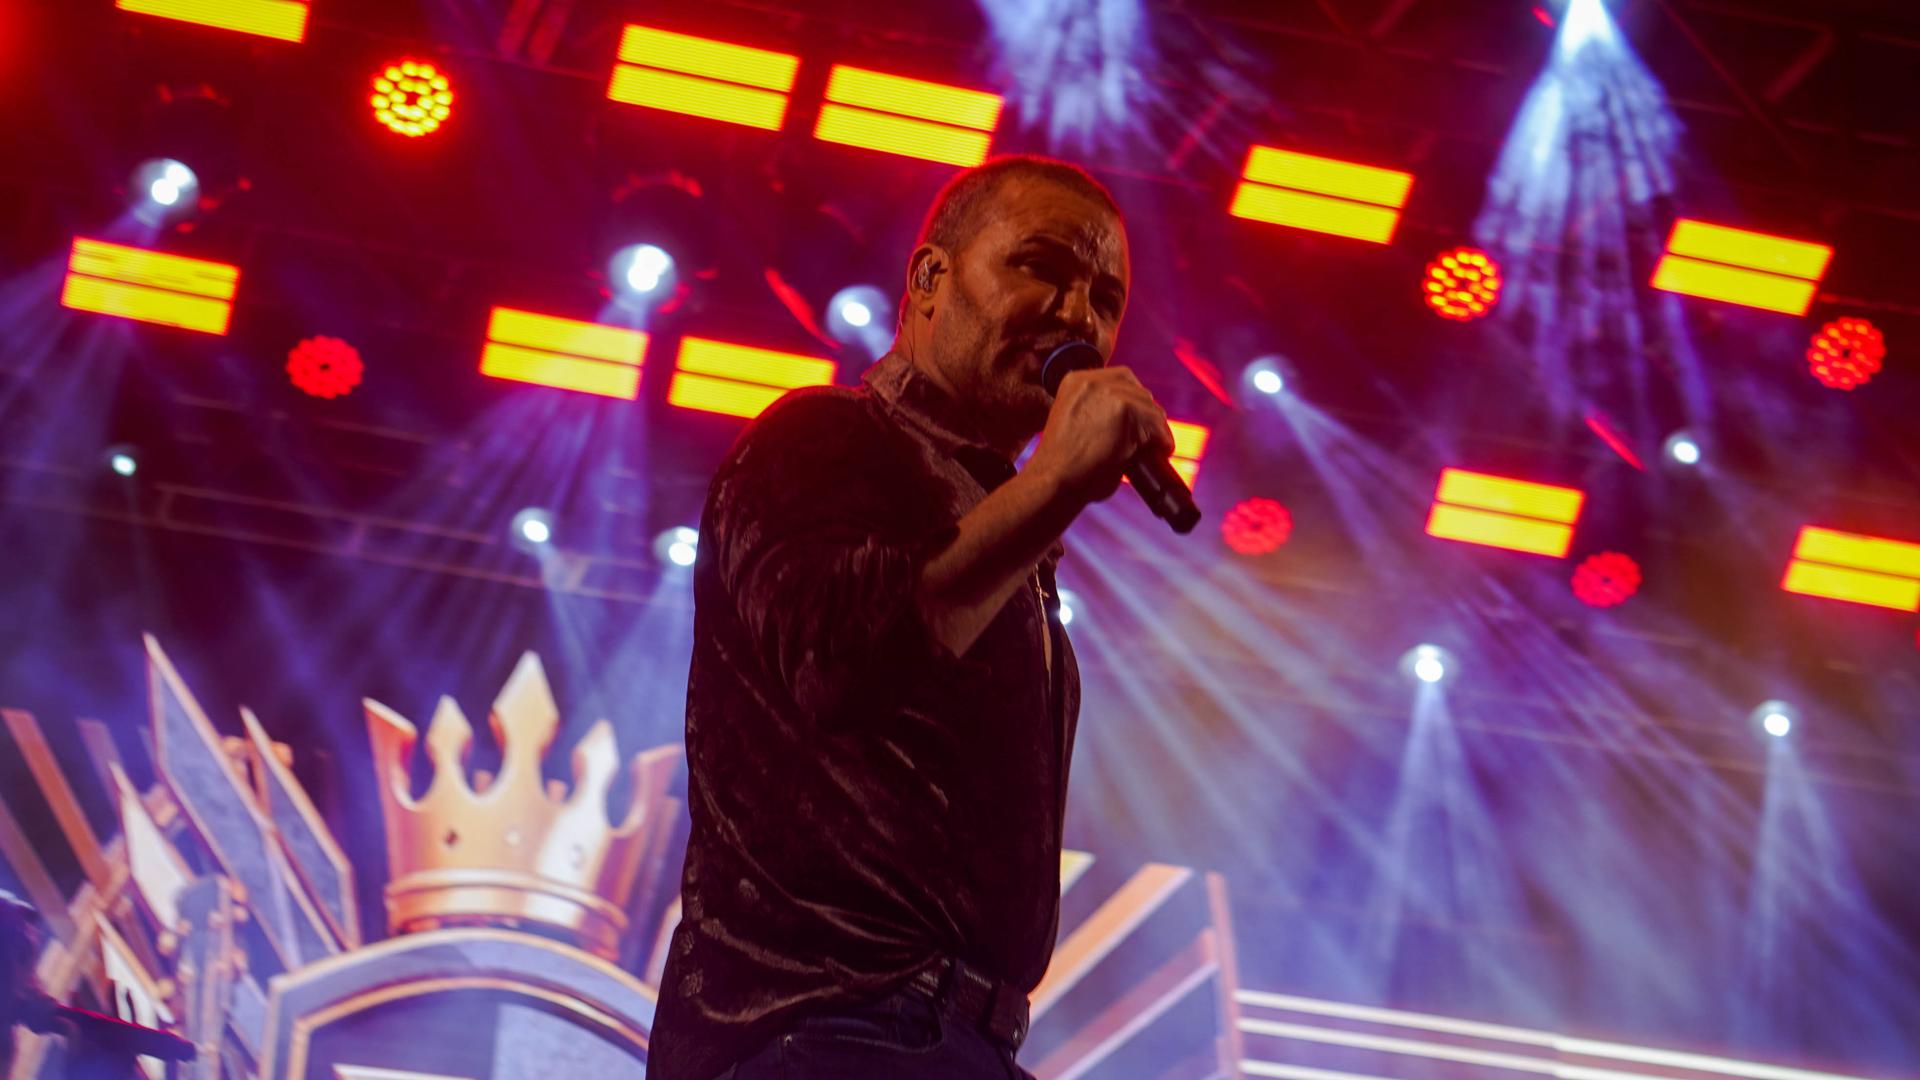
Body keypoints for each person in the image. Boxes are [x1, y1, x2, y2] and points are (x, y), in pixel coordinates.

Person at [648, 155, 1175, 1079]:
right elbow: (837, 660)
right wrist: (1055, 484)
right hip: (827, 1024)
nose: (1077, 316)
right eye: (1041, 267)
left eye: (1105, 297)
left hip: (952, 1041)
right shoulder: (824, 436)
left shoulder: (1002, 528)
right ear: (931, 279)